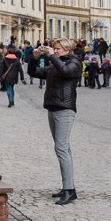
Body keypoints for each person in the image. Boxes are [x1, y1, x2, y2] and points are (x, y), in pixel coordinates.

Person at [31, 39, 82, 206]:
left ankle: (70, 190)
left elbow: (66, 71)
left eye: (58, 48)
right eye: (54, 48)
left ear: (67, 49)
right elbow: (34, 72)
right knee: (63, 148)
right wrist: (34, 58)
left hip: (65, 109)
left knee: (61, 148)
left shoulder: (74, 62)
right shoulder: (55, 63)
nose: (55, 50)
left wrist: (52, 56)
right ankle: (67, 186)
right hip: (53, 108)